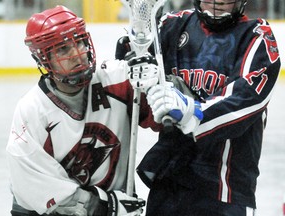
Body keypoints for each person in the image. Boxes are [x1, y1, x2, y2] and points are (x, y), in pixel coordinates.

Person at [115, 0, 281, 215]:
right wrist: (134, 54)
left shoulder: (256, 36)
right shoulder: (173, 25)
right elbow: (129, 61)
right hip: (170, 179)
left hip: (224, 189)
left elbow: (245, 101)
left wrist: (190, 110)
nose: (217, 2)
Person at [6, 5, 163, 216]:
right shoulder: (32, 111)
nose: (77, 53)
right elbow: (37, 189)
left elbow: (164, 117)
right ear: (44, 59)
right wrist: (105, 207)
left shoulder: (118, 79)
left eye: (78, 42)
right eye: (62, 49)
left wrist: (159, 85)